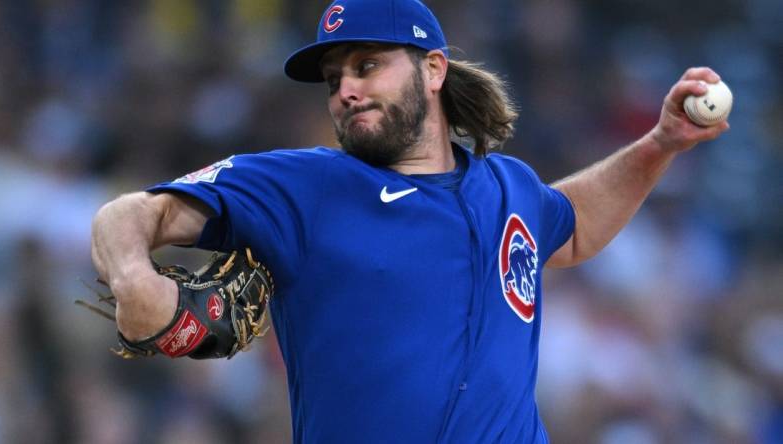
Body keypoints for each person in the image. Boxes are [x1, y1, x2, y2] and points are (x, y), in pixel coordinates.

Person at [90, 0, 729, 442]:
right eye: (334, 77)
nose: (344, 88)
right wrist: (135, 282)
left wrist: (659, 145)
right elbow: (133, 214)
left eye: (367, 65)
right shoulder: (303, 185)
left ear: (432, 69)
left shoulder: (508, 187)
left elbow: (577, 224)